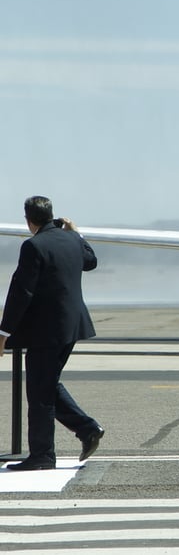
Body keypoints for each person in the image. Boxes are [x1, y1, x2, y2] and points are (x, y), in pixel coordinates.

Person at [0, 196, 104, 471]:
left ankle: (43, 455)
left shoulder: (33, 246)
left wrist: (4, 331)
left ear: (28, 219)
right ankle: (86, 429)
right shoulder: (70, 240)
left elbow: (21, 291)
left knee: (40, 393)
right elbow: (91, 262)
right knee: (45, 384)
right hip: (70, 327)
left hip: (45, 332)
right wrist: (78, 234)